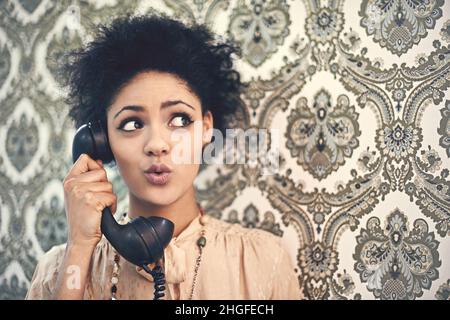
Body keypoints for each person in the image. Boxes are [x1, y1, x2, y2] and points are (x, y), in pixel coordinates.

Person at [25, 14, 302, 300]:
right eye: (132, 123)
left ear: (206, 128)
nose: (157, 145)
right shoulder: (57, 270)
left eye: (180, 119)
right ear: (102, 141)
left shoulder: (262, 264)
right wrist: (80, 248)